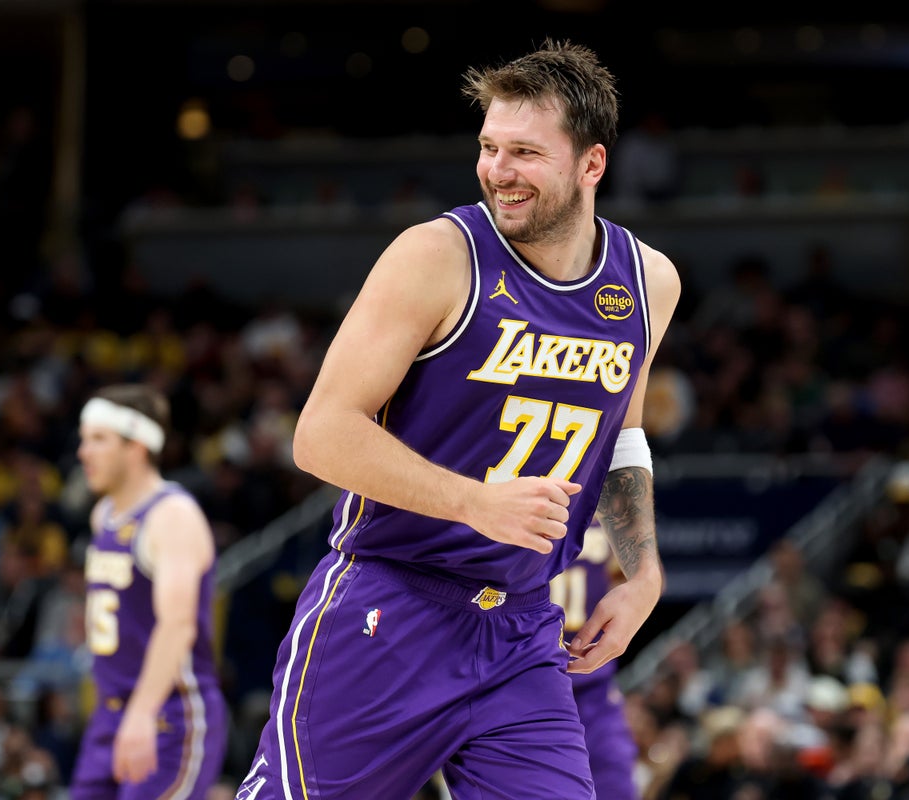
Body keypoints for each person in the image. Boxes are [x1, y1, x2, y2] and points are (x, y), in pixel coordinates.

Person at [238, 38, 681, 799]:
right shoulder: (437, 256)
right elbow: (320, 433)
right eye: (488, 147)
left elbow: (623, 438)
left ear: (592, 164)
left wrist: (643, 572)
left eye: (525, 153)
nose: (498, 170)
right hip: (389, 609)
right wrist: (472, 502)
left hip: (522, 631)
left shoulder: (648, 283)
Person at [70, 384, 228, 799]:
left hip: (167, 712)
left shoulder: (172, 515)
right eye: (84, 439)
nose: (84, 452)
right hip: (109, 713)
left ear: (136, 447)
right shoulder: (103, 515)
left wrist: (142, 713)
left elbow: (178, 625)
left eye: (98, 439)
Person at [552, 522, 638, 799]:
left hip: (593, 684)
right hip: (525, 678)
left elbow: (644, 580)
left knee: (616, 782)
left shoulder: (607, 510)